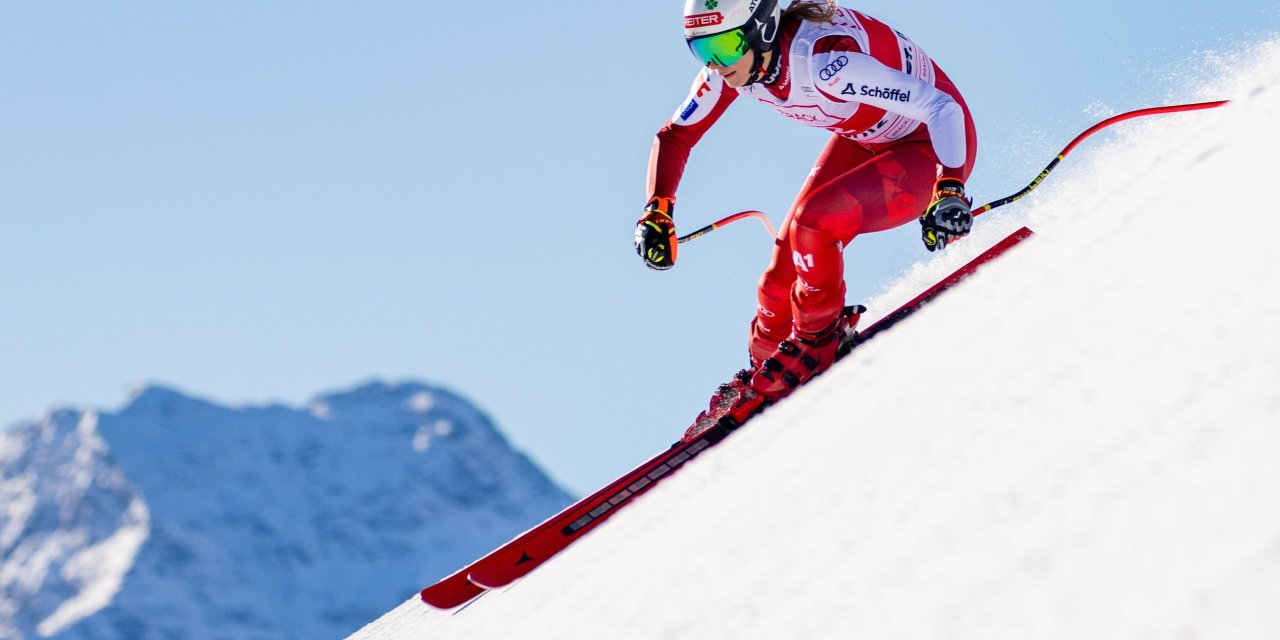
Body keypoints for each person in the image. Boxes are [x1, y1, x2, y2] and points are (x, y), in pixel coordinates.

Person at [636, 0, 978, 430]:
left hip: (931, 147)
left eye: (724, 47)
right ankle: (765, 374)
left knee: (814, 224)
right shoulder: (739, 69)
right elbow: (676, 134)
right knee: (776, 288)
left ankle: (816, 343)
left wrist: (949, 189)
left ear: (761, 29)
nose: (717, 65)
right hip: (864, 138)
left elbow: (943, 109)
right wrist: (658, 210)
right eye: (703, 52)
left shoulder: (827, 64)